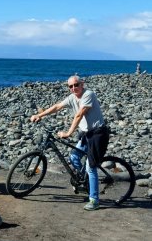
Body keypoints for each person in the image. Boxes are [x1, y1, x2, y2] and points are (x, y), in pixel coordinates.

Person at [30, 75, 109, 211]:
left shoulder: (88, 94)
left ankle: (94, 200)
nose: (73, 88)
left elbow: (79, 115)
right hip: (86, 133)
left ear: (82, 84)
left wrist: (68, 133)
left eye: (76, 85)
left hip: (97, 134)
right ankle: (86, 182)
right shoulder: (72, 97)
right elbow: (57, 107)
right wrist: (39, 115)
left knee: (91, 167)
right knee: (74, 157)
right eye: (70, 86)